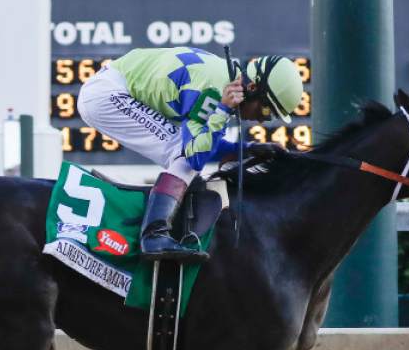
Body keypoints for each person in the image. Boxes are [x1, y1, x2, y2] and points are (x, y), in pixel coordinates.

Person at [77, 48, 304, 262]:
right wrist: (223, 110)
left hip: (112, 86)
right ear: (253, 88)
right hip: (107, 95)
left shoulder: (226, 83)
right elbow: (194, 156)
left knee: (184, 153)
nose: (263, 119)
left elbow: (206, 146)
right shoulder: (214, 93)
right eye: (266, 109)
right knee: (183, 157)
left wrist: (247, 149)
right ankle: (154, 235)